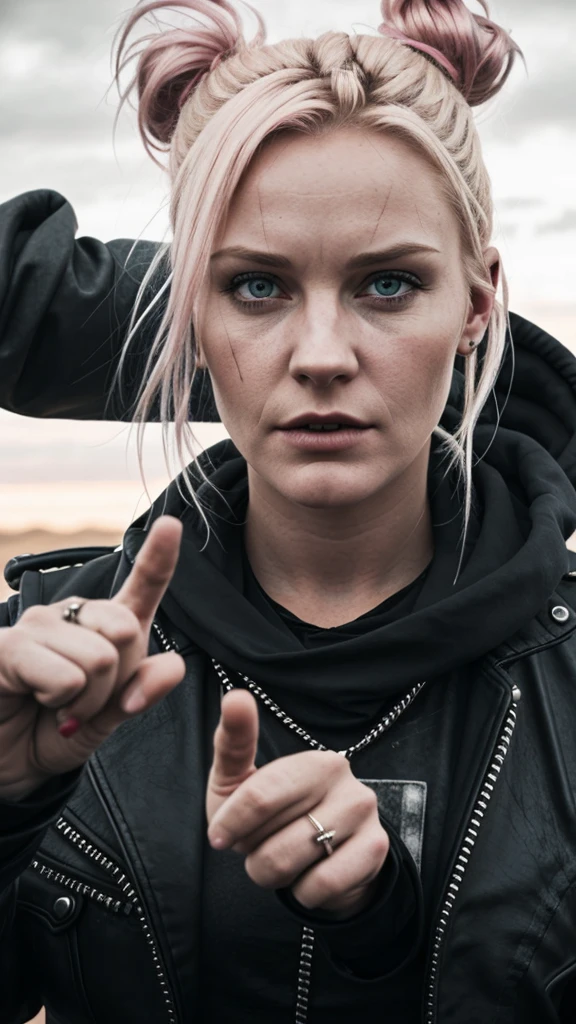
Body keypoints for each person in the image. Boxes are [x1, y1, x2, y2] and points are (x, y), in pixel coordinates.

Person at [1, 1, 576, 1022]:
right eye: (258, 287)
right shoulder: (43, 674)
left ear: (479, 303)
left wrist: (380, 927)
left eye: (388, 284)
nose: (321, 354)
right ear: (189, 312)